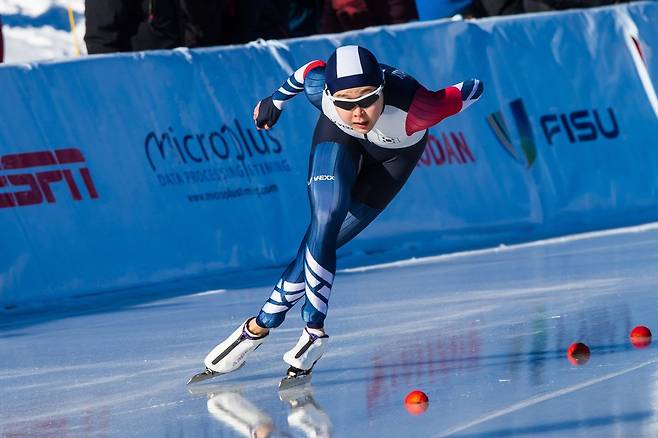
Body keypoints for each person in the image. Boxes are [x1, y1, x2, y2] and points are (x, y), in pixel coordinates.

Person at [198, 45, 483, 380]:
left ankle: (258, 327)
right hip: (339, 140)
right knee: (325, 219)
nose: (358, 113)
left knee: (319, 241)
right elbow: (307, 71)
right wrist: (274, 100)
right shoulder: (320, 90)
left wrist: (457, 96)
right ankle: (313, 331)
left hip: (394, 159)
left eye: (367, 100)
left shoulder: (420, 107)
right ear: (331, 95)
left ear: (383, 91)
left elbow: (473, 87)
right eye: (346, 103)